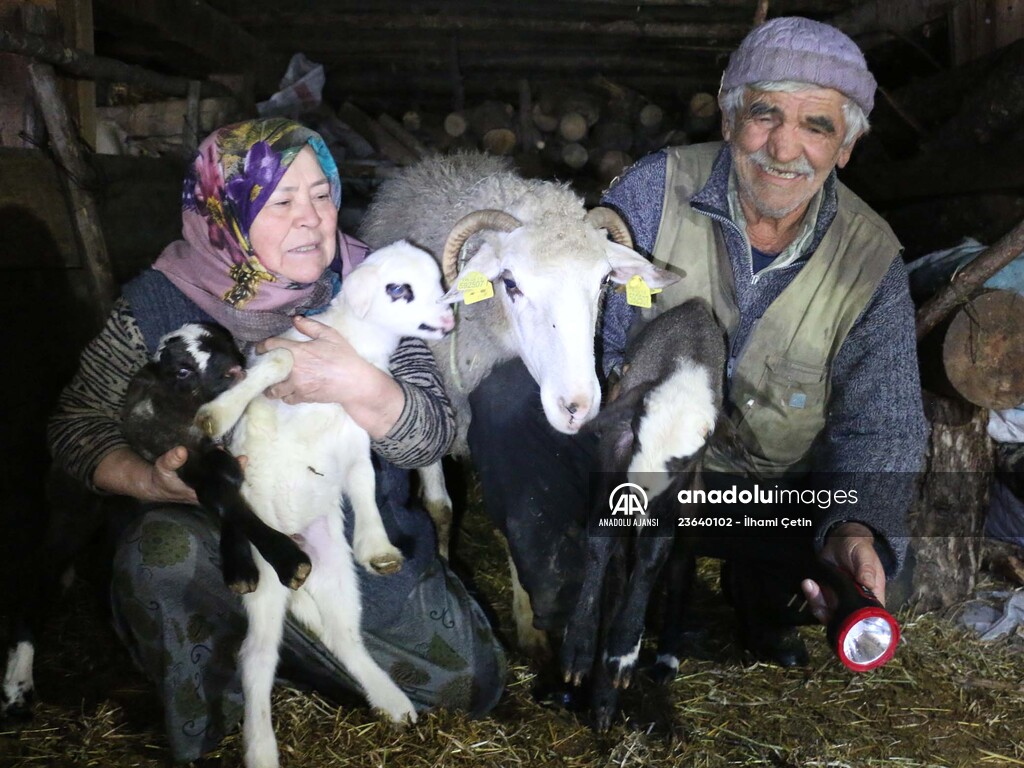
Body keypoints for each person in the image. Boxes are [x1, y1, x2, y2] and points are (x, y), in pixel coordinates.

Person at [466, 17, 928, 671]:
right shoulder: (649, 193)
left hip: (757, 496)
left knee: (877, 571)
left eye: (817, 126)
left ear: (845, 147)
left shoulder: (870, 259)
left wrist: (856, 528)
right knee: (509, 395)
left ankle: (760, 599)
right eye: (765, 114)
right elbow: (580, 333)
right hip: (637, 471)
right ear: (731, 117)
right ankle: (573, 606)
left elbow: (884, 427)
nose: (784, 147)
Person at [48, 118, 505, 762]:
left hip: (341, 533)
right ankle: (224, 677)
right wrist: (149, 480)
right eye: (279, 201)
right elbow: (76, 425)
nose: (311, 219)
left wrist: (360, 383)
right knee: (162, 554)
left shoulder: (377, 284)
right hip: (224, 543)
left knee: (467, 687)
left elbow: (432, 437)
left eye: (322, 194)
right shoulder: (159, 303)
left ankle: (297, 652)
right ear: (223, 210)